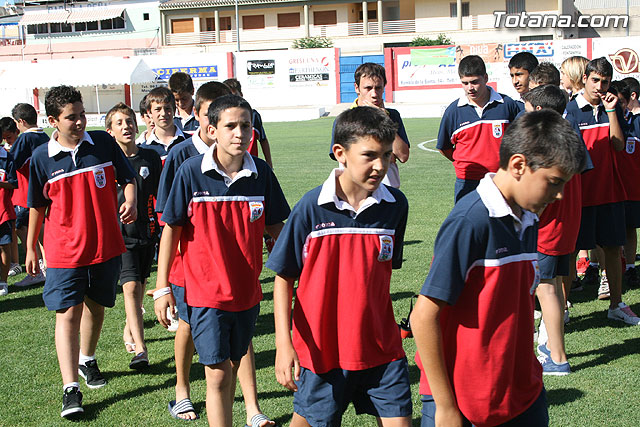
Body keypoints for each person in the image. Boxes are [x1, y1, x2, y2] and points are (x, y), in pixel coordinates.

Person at [412, 109, 587, 426]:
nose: (560, 194)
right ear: (519, 165)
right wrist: (446, 408)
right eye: (554, 182)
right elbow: (423, 317)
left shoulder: (530, 216)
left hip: (522, 391)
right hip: (462, 398)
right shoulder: (472, 221)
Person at [267, 106, 412, 426]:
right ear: (340, 153)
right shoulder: (311, 208)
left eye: (387, 156)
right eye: (369, 156)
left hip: (382, 350)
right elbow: (284, 277)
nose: (380, 166)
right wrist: (283, 344)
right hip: (323, 354)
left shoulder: (395, 206)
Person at [154, 94, 290, 426]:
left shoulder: (261, 175)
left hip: (246, 293)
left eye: (246, 126)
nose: (240, 133)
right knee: (216, 374)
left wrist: (301, 271)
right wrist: (162, 287)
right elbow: (171, 229)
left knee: (230, 366)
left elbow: (277, 229)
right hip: (205, 294)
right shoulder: (190, 172)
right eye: (231, 126)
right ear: (212, 130)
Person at [25, 85, 137, 418]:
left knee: (97, 306)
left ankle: (87, 359)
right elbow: (37, 206)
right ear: (52, 121)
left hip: (105, 247)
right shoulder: (41, 159)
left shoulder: (102, 142)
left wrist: (129, 198)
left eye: (81, 114)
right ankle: (70, 388)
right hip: (63, 252)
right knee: (68, 314)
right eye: (71, 117)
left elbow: (127, 177)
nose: (79, 122)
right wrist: (31, 246)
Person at [522, 85, 590, 375]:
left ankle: (557, 358)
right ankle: (550, 346)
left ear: (538, 111)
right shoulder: (571, 138)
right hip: (568, 225)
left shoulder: (547, 144)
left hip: (549, 228)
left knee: (546, 290)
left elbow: (544, 193)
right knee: (556, 289)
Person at [566, 57, 639, 324]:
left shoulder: (613, 107)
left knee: (612, 248)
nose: (599, 86)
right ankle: (561, 308)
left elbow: (618, 145)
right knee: (571, 251)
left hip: (610, 191)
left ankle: (616, 304)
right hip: (581, 194)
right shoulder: (571, 109)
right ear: (585, 78)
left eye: (605, 81)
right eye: (595, 80)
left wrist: (611, 112)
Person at [105, 102, 162, 370]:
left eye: (129, 121)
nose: (126, 127)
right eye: (119, 123)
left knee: (139, 286)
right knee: (129, 287)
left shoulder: (150, 158)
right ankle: (141, 350)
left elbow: (160, 195)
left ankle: (130, 328)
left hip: (147, 233)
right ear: (110, 131)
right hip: (120, 236)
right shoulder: (107, 165)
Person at [437, 55, 520, 202]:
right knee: (469, 224)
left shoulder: (507, 105)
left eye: (475, 82)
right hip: (467, 182)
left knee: (503, 223)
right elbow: (444, 147)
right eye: (465, 83)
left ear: (486, 78)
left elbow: (520, 141)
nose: (470, 88)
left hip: (501, 179)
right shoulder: (453, 110)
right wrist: (464, 163)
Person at [329, 63, 410, 188]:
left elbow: (403, 156)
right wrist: (386, 154)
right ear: (357, 88)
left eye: (378, 88)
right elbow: (344, 158)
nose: (374, 94)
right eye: (368, 88)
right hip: (355, 194)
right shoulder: (344, 119)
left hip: (388, 193)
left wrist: (385, 120)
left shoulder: (392, 116)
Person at [10, 103, 49, 286]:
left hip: (27, 191)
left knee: (24, 227)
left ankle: (38, 268)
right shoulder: (45, 136)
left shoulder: (25, 139)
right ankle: (45, 267)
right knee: (41, 229)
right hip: (44, 190)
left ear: (21, 121)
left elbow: (12, 164)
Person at [614, 77, 640, 288]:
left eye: (621, 101)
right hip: (611, 187)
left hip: (632, 188)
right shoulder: (609, 120)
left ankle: (630, 267)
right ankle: (600, 269)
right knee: (608, 235)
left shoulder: (636, 122)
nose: (618, 106)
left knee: (630, 228)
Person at [223, 78, 274, 168]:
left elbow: (263, 140)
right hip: (229, 166)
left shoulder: (254, 115)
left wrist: (269, 164)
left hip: (251, 165)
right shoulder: (221, 119)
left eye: (235, 95)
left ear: (241, 95)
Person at [142, 86, 186, 163]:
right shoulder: (144, 149)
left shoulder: (189, 142)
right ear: (149, 113)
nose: (163, 113)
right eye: (158, 109)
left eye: (167, 108)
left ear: (174, 110)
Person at [0, 126, 17, 297]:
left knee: (4, 247)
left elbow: (14, 183)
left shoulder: (6, 158)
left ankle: (3, 282)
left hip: (3, 211)